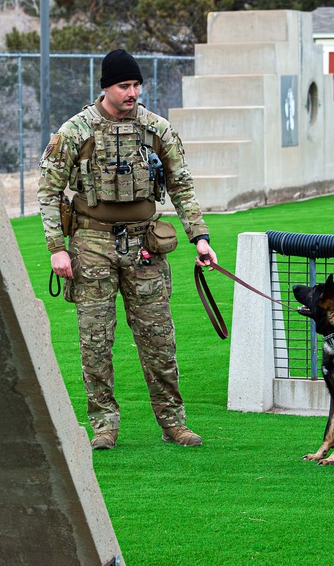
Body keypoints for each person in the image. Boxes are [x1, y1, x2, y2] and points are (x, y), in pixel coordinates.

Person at [37, 48, 216, 450]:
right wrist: (56, 248)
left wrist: (200, 238)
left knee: (159, 338)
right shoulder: (75, 131)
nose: (132, 92)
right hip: (91, 243)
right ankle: (103, 424)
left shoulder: (157, 130)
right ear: (106, 88)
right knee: (95, 341)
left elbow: (182, 185)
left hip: (144, 244)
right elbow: (48, 192)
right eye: (124, 86)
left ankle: (173, 422)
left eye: (136, 85)